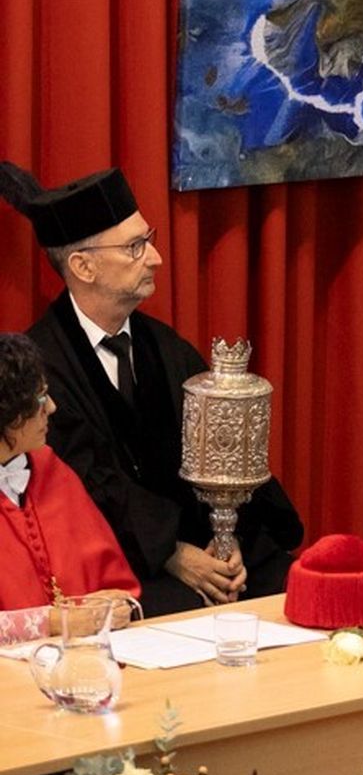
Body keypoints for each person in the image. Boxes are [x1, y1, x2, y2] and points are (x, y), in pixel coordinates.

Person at [1, 163, 302, 614]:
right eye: (135, 247)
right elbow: (85, 484)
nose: (156, 258)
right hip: (126, 561)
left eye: (149, 240)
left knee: (291, 585)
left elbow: (219, 450)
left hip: (202, 543)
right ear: (83, 266)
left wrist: (228, 539)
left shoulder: (165, 347)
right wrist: (172, 553)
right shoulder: (42, 366)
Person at [0, 332, 139, 612]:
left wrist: (115, 605)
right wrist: (48, 624)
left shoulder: (53, 471)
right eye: (40, 400)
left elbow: (118, 588)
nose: (52, 407)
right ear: (9, 415)